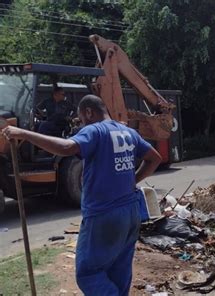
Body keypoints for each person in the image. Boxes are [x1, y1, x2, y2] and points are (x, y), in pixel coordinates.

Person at [1, 95, 162, 295]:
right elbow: (154, 158)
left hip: (104, 213)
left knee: (88, 274)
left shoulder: (94, 131)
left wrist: (24, 133)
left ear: (88, 112)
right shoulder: (128, 132)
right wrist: (131, 181)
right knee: (119, 270)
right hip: (131, 212)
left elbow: (67, 147)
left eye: (82, 118)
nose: (82, 123)